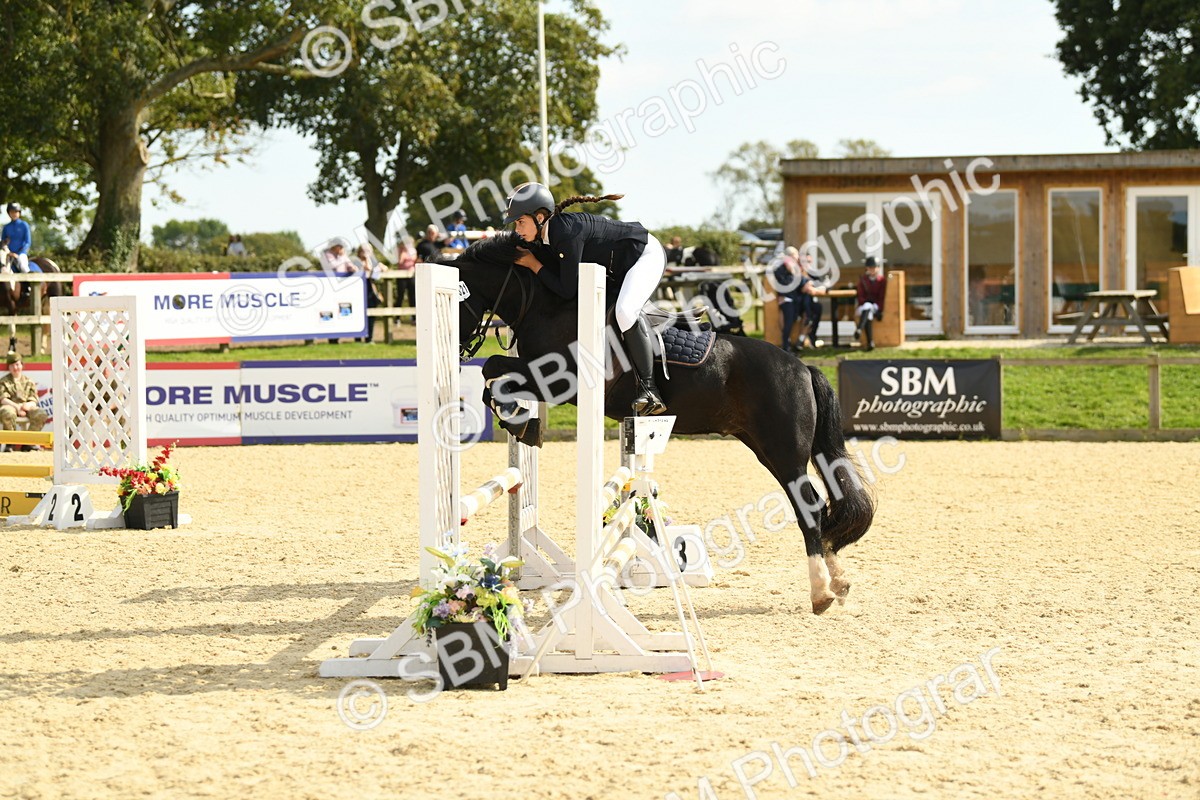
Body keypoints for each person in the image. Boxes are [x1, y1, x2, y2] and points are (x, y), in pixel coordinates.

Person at [503, 181, 667, 415]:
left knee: (625, 312)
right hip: (619, 268)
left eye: (520, 222)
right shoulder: (549, 235)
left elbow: (567, 289)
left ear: (540, 217)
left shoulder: (564, 234)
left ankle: (650, 389)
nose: (517, 229)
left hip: (644, 256)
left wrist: (533, 264)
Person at [772, 246, 827, 351]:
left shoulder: (798, 271)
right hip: (789, 300)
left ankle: (802, 340)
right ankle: (786, 345)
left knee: (813, 311)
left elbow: (807, 282)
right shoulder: (782, 270)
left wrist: (810, 284)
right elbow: (788, 286)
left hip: (797, 301)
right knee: (790, 319)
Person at [0, 351, 48, 436]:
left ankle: (29, 441)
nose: (15, 368)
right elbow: (3, 399)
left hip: (26, 407)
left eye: (17, 365)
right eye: (12, 365)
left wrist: (26, 406)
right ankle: (10, 441)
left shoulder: (29, 381)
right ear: (9, 368)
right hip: (10, 406)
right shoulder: (3, 381)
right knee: (8, 412)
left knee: (41, 414)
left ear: (22, 365)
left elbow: (34, 398)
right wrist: (17, 407)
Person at [855, 256, 887, 351]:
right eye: (870, 268)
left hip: (876, 306)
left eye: (874, 267)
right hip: (864, 306)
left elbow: (882, 296)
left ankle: (860, 329)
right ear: (867, 268)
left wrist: (880, 308)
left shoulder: (882, 281)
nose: (872, 270)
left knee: (868, 308)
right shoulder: (863, 280)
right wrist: (865, 302)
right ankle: (870, 342)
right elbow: (860, 295)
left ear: (878, 268)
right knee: (867, 308)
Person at [354, 244, 384, 342]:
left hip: (370, 289)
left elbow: (380, 269)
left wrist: (380, 267)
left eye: (368, 250)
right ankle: (357, 338)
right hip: (358, 289)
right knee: (358, 313)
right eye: (364, 250)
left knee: (371, 313)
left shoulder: (373, 261)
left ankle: (369, 338)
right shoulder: (355, 261)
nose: (366, 252)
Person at [1, 203, 33, 273]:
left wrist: (18, 253)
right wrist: (8, 252)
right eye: (12, 212)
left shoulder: (24, 225)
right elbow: (3, 242)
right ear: (9, 213)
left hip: (20, 254)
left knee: (24, 267)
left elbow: (28, 242)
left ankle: (29, 283)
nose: (14, 214)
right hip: (8, 253)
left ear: (19, 213)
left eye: (16, 212)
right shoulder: (6, 227)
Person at [395, 234, 418, 310]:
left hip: (411, 275)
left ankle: (413, 317)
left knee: (412, 295)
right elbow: (400, 262)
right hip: (401, 275)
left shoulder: (413, 251)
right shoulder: (400, 251)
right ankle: (397, 317)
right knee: (400, 295)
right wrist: (403, 253)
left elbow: (415, 260)